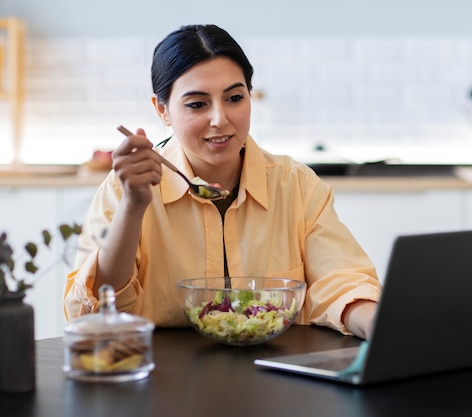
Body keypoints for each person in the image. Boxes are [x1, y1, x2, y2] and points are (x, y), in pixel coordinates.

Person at [63, 24, 381, 340]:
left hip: (274, 376)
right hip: (161, 378)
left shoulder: (296, 186)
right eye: (197, 104)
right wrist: (134, 206)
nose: (220, 119)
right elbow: (93, 311)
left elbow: (342, 282)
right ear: (162, 110)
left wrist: (377, 324)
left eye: (234, 97)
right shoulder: (124, 189)